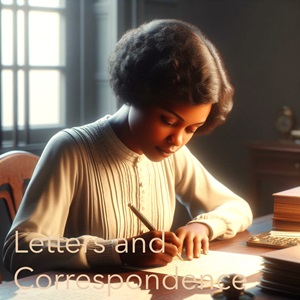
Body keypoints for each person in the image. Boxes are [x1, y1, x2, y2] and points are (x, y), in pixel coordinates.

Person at [3, 19, 252, 275]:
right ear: (136, 94)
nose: (177, 140)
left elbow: (237, 208)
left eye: (191, 129)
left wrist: (204, 226)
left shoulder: (173, 156)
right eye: (168, 121)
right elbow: (18, 251)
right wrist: (118, 251)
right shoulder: (72, 149)